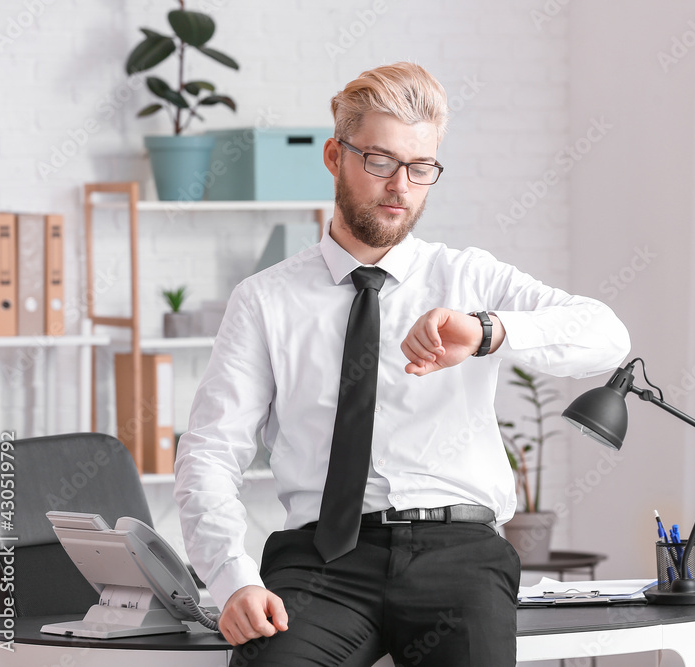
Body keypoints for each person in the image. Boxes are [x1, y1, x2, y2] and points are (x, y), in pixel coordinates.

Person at [173, 62, 630, 667]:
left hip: (459, 556)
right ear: (335, 156)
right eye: (381, 161)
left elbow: (606, 335)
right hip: (321, 564)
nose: (401, 187)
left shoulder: (469, 277)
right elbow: (209, 451)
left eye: (421, 168)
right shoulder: (264, 300)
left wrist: (490, 330)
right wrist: (232, 579)